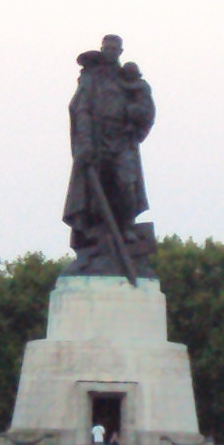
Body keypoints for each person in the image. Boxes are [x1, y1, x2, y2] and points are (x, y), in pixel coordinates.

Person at [62, 34, 157, 279]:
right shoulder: (92, 77)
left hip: (122, 140)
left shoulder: (128, 79)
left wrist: (134, 117)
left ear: (121, 51)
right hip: (96, 142)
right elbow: (79, 108)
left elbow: (147, 109)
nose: (110, 51)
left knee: (126, 184)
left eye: (115, 48)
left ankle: (125, 228)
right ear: (102, 48)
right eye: (107, 47)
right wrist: (83, 143)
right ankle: (95, 241)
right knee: (95, 195)